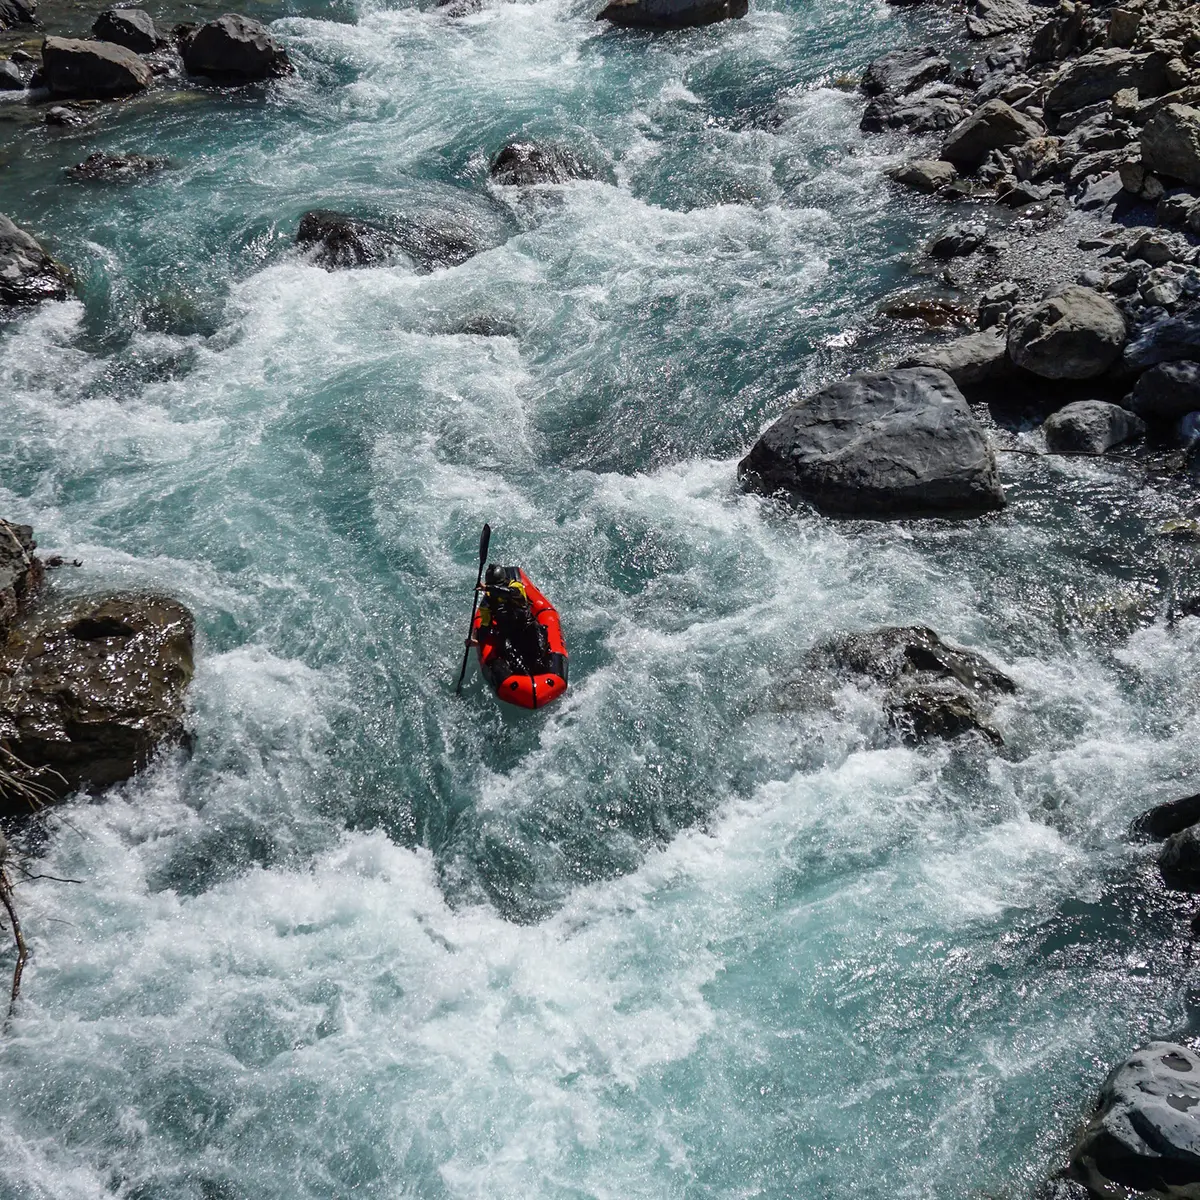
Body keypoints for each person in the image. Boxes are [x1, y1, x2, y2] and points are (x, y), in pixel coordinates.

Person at [478, 568, 548, 674]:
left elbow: (510, 592)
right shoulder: (487, 601)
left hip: (526, 626)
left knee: (539, 654)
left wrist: (488, 588)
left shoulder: (516, 586)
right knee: (515, 663)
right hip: (508, 633)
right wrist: (478, 640)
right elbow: (485, 624)